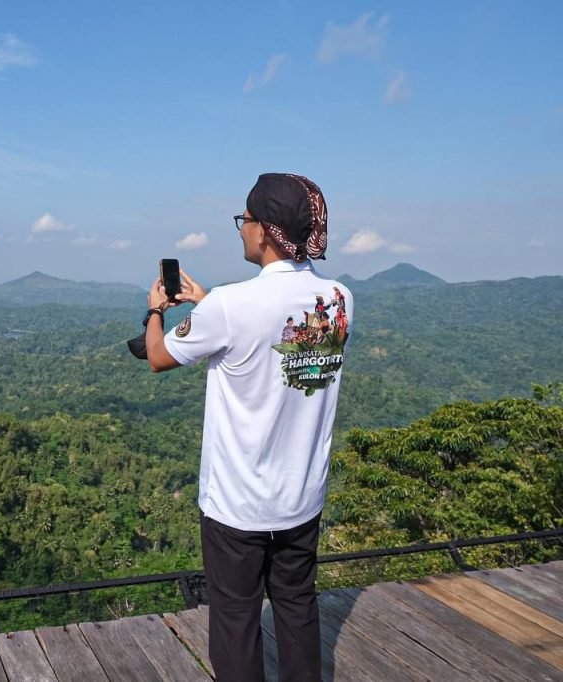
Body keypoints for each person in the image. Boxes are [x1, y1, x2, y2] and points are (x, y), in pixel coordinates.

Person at [141, 173, 353, 682]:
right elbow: (274, 323)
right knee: (298, 607)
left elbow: (157, 356)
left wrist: (155, 309)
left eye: (245, 220)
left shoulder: (231, 306)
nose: (241, 230)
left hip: (238, 507)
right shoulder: (341, 298)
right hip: (302, 498)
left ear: (265, 231)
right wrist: (208, 303)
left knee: (236, 618)